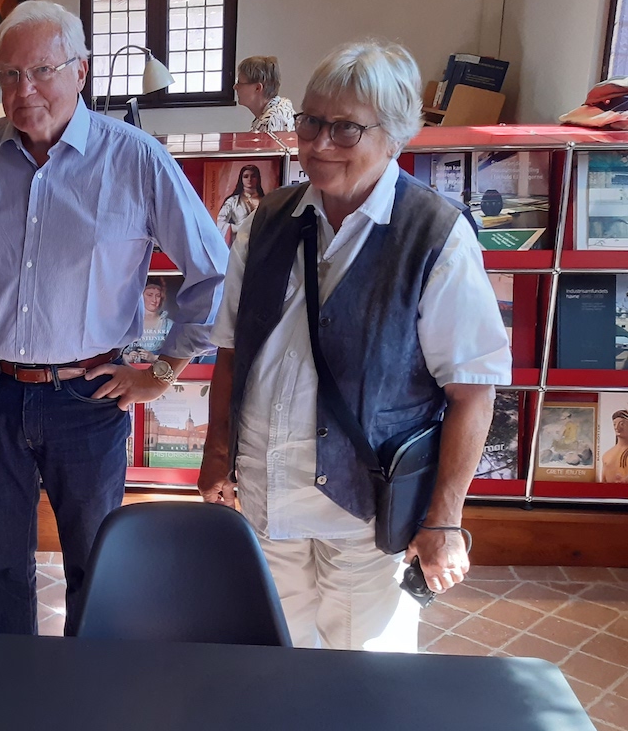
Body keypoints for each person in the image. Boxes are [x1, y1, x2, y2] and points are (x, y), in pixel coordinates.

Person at [0, 0, 228, 635]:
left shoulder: (135, 159)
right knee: (3, 564)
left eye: (41, 71)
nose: (23, 90)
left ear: (80, 71)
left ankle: (85, 681)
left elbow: (212, 272)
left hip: (88, 397)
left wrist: (162, 372)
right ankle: (10, 675)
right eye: (8, 75)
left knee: (94, 563)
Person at [198, 40, 511, 651]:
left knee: (364, 674)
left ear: (393, 137)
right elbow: (232, 352)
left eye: (345, 128)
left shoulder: (435, 235)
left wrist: (444, 520)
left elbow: (473, 390)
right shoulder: (267, 221)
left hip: (365, 515)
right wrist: (217, 453)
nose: (319, 143)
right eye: (311, 122)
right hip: (265, 497)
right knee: (274, 659)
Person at [235, 56, 295, 133]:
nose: (235, 87)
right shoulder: (281, 104)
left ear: (258, 88)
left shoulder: (271, 121)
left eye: (239, 83)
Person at [123, 279, 174, 363]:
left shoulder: (167, 325)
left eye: (158, 295)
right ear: (140, 297)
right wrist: (128, 358)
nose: (154, 300)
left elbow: (176, 355)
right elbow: (118, 354)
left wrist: (153, 358)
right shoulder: (130, 323)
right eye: (149, 295)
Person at [216, 164, 266, 243]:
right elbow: (220, 222)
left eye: (253, 176)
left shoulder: (265, 201)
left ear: (258, 178)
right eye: (246, 176)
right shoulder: (233, 201)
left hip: (261, 242)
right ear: (241, 179)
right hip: (239, 243)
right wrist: (237, 228)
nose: (249, 179)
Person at [601, 409, 628, 482]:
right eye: (614, 424)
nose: (617, 427)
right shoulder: (607, 455)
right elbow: (603, 483)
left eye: (622, 424)